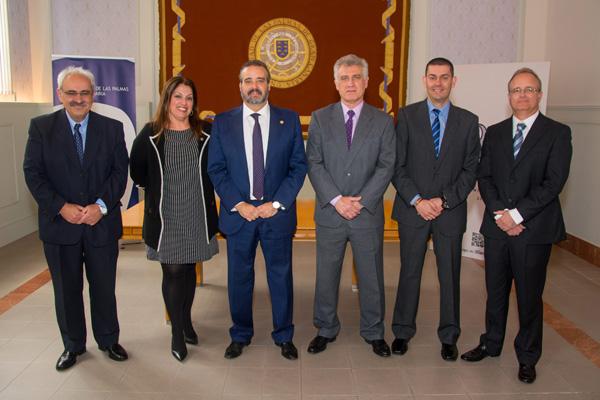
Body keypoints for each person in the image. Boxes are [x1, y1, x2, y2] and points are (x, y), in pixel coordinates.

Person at [461, 68, 572, 384]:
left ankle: (527, 356)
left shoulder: (557, 133)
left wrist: (518, 215)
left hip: (533, 230)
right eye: (515, 90)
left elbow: (554, 182)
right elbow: (485, 176)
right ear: (508, 96)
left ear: (539, 94)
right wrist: (501, 215)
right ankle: (491, 342)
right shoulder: (495, 132)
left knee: (528, 295)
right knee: (494, 291)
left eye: (529, 89)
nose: (521, 95)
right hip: (498, 228)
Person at [23, 66, 129, 371]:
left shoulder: (111, 128)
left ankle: (108, 340)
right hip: (60, 226)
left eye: (84, 93)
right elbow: (33, 173)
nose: (78, 99)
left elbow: (119, 173)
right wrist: (61, 207)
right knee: (66, 290)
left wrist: (100, 206)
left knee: (103, 287)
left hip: (101, 224)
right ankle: (73, 346)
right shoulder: (41, 127)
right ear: (60, 95)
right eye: (71, 93)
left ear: (93, 95)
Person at [207, 60, 307, 360]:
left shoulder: (288, 120)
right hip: (240, 216)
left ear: (269, 85)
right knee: (239, 277)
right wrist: (239, 204)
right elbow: (217, 169)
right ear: (239, 86)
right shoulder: (222, 123)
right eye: (248, 80)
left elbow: (298, 167)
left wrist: (275, 205)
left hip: (276, 215)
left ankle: (284, 335)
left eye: (260, 80)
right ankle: (240, 334)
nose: (254, 86)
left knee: (281, 276)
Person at [306, 54, 396, 357]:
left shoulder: (383, 121)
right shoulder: (320, 118)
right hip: (331, 212)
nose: (351, 83)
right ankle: (325, 327)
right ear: (335, 83)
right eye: (344, 78)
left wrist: (362, 201)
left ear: (367, 82)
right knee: (326, 274)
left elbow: (386, 166)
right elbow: (314, 163)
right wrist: (336, 199)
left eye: (357, 77)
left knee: (371, 275)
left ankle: (374, 331)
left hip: (365, 213)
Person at [390, 57, 480, 361]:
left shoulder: (468, 121)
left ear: (454, 81)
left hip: (450, 211)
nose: (438, 82)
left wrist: (443, 200)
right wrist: (418, 200)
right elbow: (397, 166)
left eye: (444, 77)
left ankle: (449, 335)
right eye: (432, 77)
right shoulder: (406, 116)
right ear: (424, 80)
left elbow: (471, 170)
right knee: (409, 272)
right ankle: (402, 331)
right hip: (413, 210)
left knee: (449, 274)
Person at [130, 76, 219, 362]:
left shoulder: (205, 132)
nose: (183, 103)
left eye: (189, 98)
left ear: (195, 104)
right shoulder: (150, 134)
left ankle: (188, 321)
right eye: (177, 97)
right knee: (172, 272)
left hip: (196, 213)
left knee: (189, 268)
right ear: (167, 99)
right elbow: (138, 173)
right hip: (165, 217)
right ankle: (177, 332)